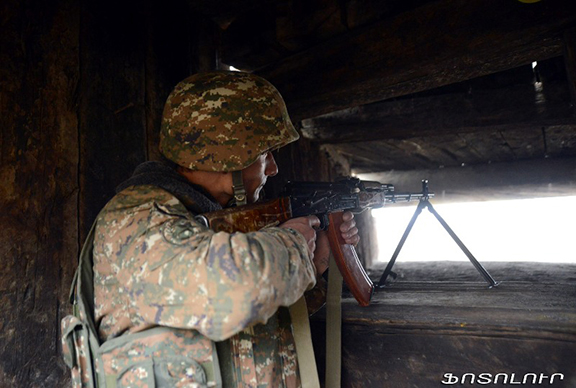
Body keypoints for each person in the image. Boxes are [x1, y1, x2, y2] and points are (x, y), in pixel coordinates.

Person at [67, 71, 359, 387]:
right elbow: (235, 294)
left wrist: (314, 265)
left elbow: (251, 330)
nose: (272, 168)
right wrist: (293, 245)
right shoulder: (137, 220)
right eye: (264, 153)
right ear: (229, 156)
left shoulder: (206, 221)